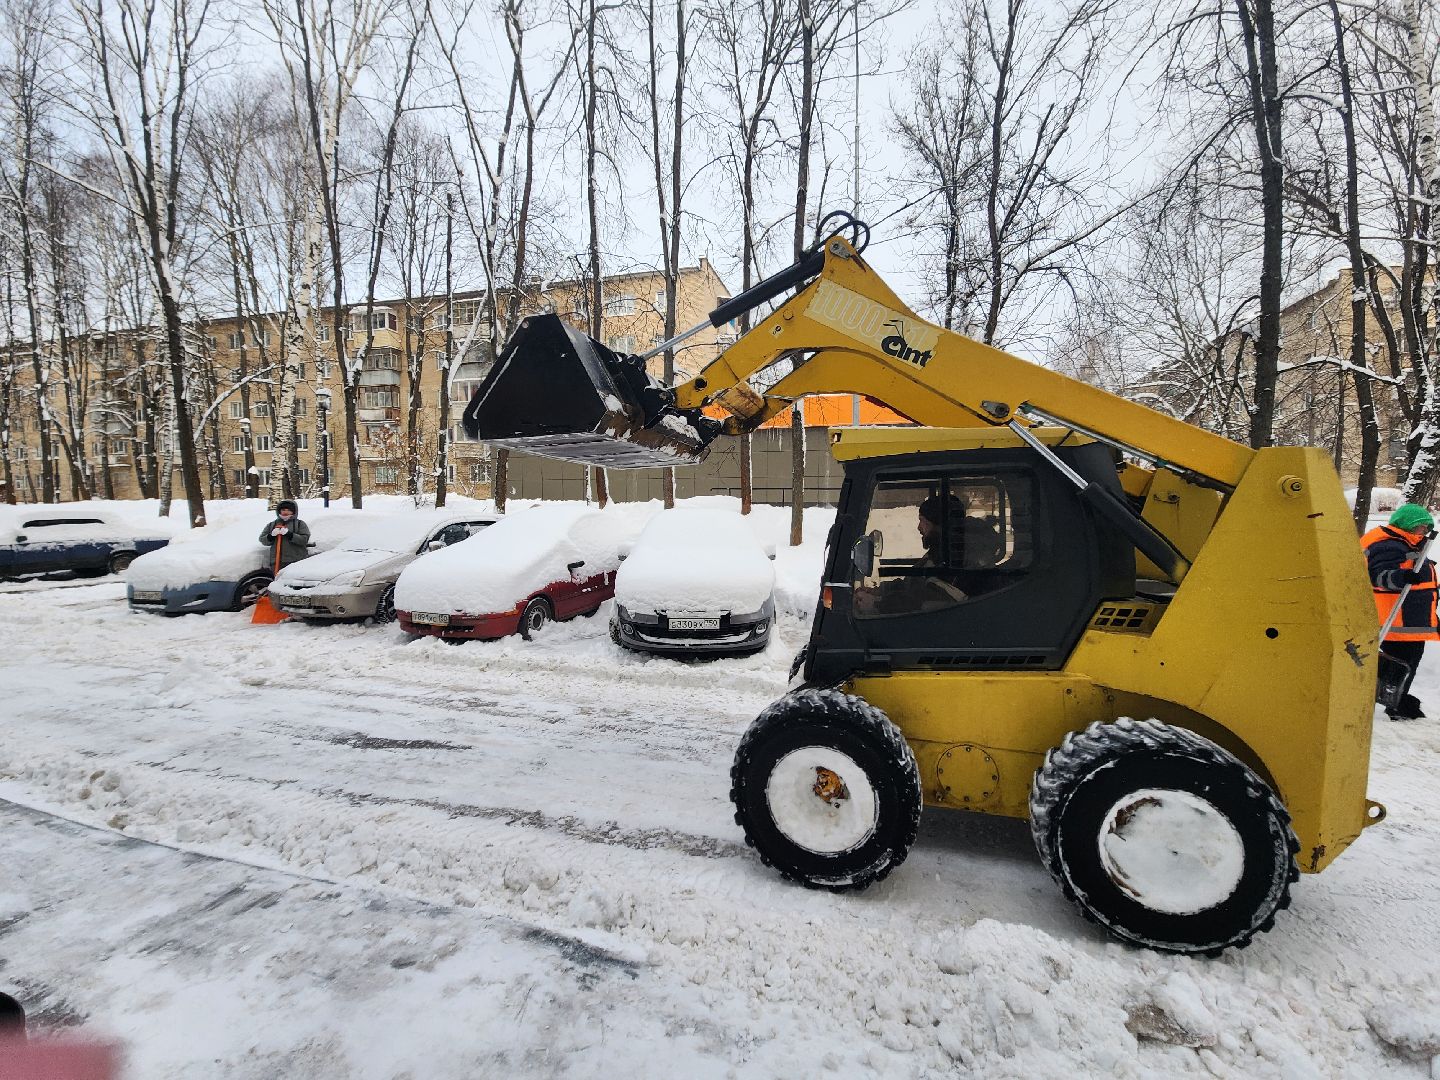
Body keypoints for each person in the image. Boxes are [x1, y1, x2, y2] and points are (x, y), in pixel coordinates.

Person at [1362, 502, 1437, 721]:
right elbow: (1377, 575)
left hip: (1407, 620)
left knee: (1405, 661)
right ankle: (1394, 701)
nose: (1424, 532)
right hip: (1396, 620)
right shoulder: (1389, 545)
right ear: (1407, 524)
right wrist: (1400, 578)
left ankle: (1396, 697)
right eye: (1421, 527)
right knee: (1402, 663)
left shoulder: (1405, 544)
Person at [258, 499, 312, 569]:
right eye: (283, 510)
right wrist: (271, 536)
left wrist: (289, 535)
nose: (285, 512)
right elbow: (262, 539)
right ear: (279, 511)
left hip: (296, 561)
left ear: (293, 511)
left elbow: (304, 540)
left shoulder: (300, 524)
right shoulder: (272, 524)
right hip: (277, 562)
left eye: (288, 510)